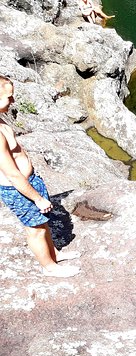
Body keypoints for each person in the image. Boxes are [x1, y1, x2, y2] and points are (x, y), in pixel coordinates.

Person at [0, 76, 80, 278]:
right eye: (9, 97)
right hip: (18, 189)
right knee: (35, 229)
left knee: (42, 222)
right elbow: (12, 174)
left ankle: (54, 254)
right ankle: (49, 267)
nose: (13, 102)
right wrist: (37, 197)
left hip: (28, 181)